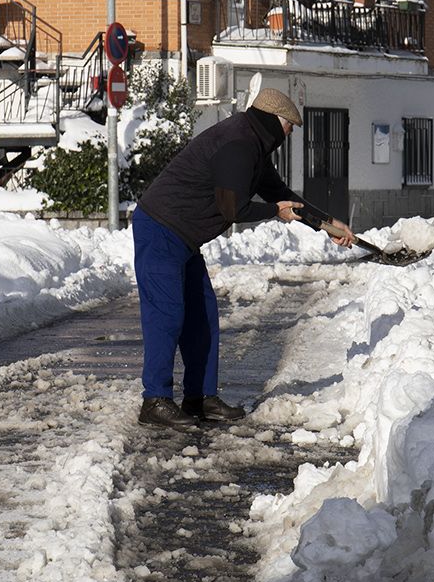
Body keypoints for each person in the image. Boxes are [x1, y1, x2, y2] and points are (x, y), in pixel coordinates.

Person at [131, 87, 351, 427]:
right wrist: (275, 213)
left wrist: (327, 223)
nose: (290, 134)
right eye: (291, 127)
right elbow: (231, 208)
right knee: (167, 315)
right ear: (278, 122)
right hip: (161, 228)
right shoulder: (239, 145)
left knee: (202, 316)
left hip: (184, 236)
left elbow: (281, 195)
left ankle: (199, 398)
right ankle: (154, 400)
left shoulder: (253, 146)